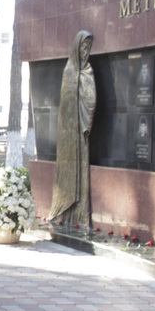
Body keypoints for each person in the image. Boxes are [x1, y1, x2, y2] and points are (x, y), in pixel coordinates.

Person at [48, 31, 97, 227]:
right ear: (76, 48)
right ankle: (66, 207)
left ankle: (79, 212)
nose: (86, 52)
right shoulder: (69, 71)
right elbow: (66, 104)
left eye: (89, 48)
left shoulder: (88, 70)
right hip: (69, 133)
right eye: (83, 48)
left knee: (81, 170)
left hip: (81, 130)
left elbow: (90, 99)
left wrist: (86, 122)